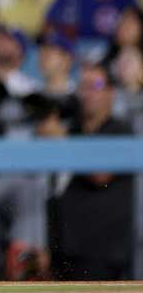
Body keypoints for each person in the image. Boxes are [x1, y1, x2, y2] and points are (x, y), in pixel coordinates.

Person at [49, 63, 134, 280]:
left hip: (102, 251)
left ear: (110, 93)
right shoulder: (72, 129)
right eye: (83, 86)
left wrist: (63, 141)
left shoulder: (120, 131)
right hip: (63, 247)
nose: (87, 94)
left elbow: (100, 174)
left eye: (95, 85)